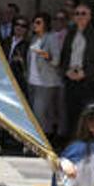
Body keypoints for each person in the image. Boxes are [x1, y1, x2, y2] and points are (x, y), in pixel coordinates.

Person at [59, 4, 94, 135]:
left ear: (90, 17)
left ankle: (85, 142)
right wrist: (66, 71)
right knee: (71, 112)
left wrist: (85, 73)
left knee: (86, 114)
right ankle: (72, 142)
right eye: (77, 13)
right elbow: (64, 57)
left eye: (83, 13)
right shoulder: (70, 34)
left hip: (87, 81)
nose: (80, 16)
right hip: (70, 79)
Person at [26, 13, 62, 141]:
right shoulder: (34, 39)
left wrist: (44, 54)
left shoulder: (51, 38)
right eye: (34, 22)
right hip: (32, 81)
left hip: (46, 82)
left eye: (38, 22)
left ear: (45, 24)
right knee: (38, 113)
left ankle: (38, 141)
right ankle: (44, 138)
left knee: (39, 113)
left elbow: (56, 60)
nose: (35, 25)